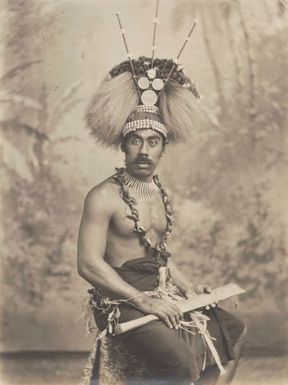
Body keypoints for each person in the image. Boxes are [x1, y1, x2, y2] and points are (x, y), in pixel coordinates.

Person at [77, 11, 246, 384]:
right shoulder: (102, 196)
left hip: (163, 291)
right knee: (180, 363)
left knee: (232, 332)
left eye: (152, 142)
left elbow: (157, 255)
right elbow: (88, 265)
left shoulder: (158, 191)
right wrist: (143, 301)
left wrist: (187, 287)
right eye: (135, 140)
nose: (143, 151)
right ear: (123, 145)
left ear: (163, 149)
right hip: (121, 302)